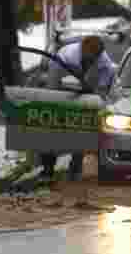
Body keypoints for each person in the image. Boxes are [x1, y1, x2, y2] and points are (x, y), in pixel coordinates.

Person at [39, 35, 118, 180]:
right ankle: (47, 169)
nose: (90, 61)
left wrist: (94, 97)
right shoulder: (64, 57)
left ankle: (76, 166)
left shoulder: (105, 65)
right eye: (87, 58)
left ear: (98, 55)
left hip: (87, 95)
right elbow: (52, 87)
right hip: (61, 90)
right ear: (82, 50)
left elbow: (101, 92)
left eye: (93, 59)